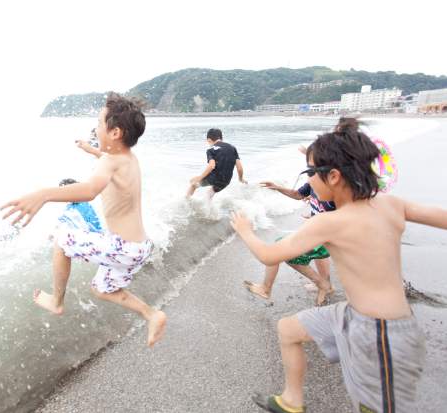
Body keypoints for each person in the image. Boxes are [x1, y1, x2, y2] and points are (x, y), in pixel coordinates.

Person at [231, 118, 447, 413]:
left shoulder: (328, 222)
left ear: (333, 176)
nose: (309, 180)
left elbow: (270, 255)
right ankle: (292, 401)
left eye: (310, 173)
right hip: (351, 313)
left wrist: (245, 230)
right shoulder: (392, 204)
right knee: (289, 329)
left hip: (382, 332)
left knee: (374, 407)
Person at [1, 93, 167, 348]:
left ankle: (56, 302)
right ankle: (151, 314)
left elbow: (90, 190)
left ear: (115, 133)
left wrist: (44, 194)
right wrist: (90, 149)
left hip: (123, 248)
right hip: (139, 247)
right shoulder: (128, 159)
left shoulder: (110, 162)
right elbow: (106, 161)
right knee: (101, 289)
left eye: (99, 124)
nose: (96, 128)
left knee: (62, 239)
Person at [245, 180, 335, 306]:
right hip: (316, 232)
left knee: (281, 252)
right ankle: (327, 285)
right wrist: (277, 187)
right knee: (289, 247)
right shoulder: (314, 180)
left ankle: (322, 284)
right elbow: (298, 194)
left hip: (328, 237)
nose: (311, 174)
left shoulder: (337, 188)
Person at [186, 128, 246, 198]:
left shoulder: (211, 150)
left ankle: (186, 201)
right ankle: (209, 207)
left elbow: (211, 166)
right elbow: (239, 168)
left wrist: (200, 178)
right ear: (221, 138)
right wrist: (240, 179)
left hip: (214, 178)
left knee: (193, 182)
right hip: (226, 181)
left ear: (209, 140)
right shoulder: (232, 148)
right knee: (210, 193)